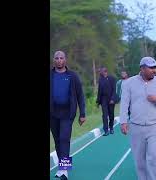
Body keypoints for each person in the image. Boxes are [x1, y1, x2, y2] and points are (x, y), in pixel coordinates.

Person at [120, 57, 156, 180]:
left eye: (155, 67)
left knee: (153, 156)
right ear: (142, 68)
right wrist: (123, 122)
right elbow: (124, 103)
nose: (154, 70)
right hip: (136, 127)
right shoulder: (129, 83)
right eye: (151, 68)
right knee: (139, 159)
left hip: (154, 126)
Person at [50, 50, 87, 179]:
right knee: (57, 141)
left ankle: (64, 169)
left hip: (67, 113)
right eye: (56, 58)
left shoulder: (73, 76)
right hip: (53, 113)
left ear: (65, 60)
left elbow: (80, 96)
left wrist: (82, 113)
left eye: (61, 58)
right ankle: (61, 167)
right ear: (53, 60)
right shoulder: (51, 75)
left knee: (64, 139)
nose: (59, 60)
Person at [96, 67, 118, 136]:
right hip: (103, 99)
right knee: (104, 115)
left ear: (105, 72)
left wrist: (112, 99)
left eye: (101, 71)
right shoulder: (100, 80)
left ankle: (111, 127)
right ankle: (106, 130)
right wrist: (98, 101)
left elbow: (114, 89)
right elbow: (99, 91)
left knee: (111, 114)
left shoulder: (112, 78)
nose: (100, 73)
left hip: (111, 99)